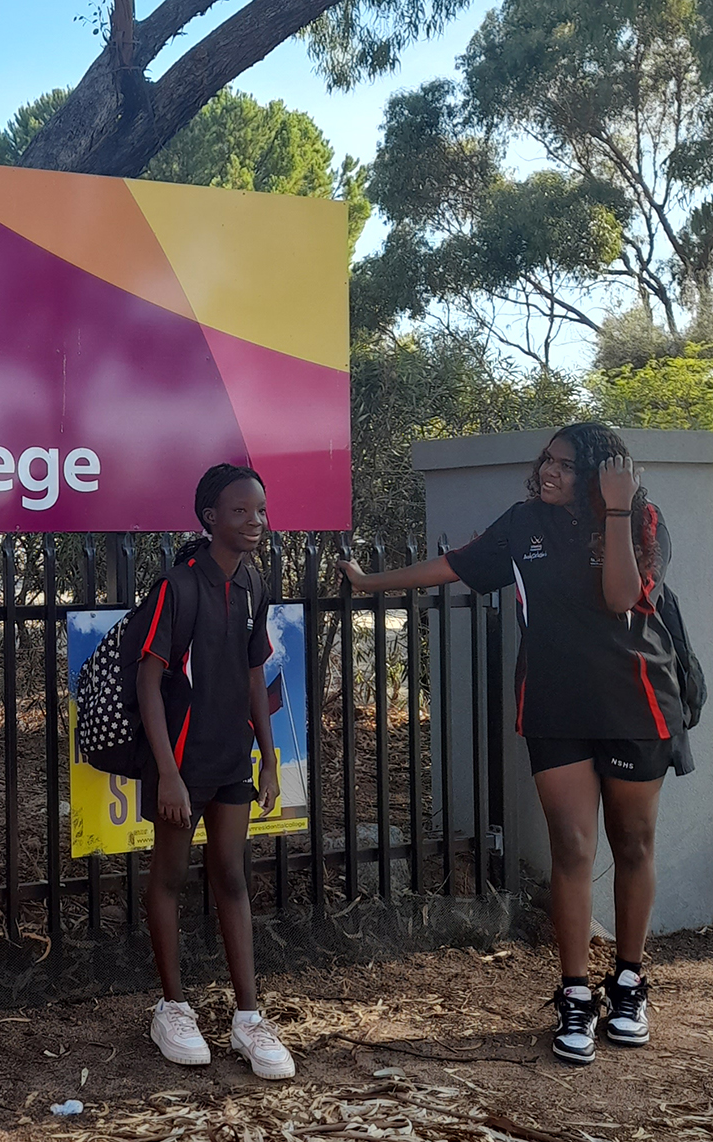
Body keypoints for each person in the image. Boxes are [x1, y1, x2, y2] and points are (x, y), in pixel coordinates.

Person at [339, 422, 687, 1065]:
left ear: (600, 470)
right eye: (545, 460)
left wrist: (614, 506)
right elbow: (453, 565)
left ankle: (630, 983)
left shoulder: (643, 519)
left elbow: (620, 597)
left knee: (633, 843)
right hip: (553, 706)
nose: (547, 471)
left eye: (565, 464)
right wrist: (368, 584)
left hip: (637, 704)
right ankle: (576, 994)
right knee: (572, 847)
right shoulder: (524, 522)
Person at [134, 463, 295, 1080]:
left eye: (259, 511)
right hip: (181, 761)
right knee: (171, 875)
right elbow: (148, 680)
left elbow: (257, 673)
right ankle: (172, 1007)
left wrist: (270, 756)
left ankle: (248, 1017)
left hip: (231, 756)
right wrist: (169, 774)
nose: (254, 522)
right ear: (210, 519)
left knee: (232, 876)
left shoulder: (254, 583)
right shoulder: (178, 586)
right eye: (239, 512)